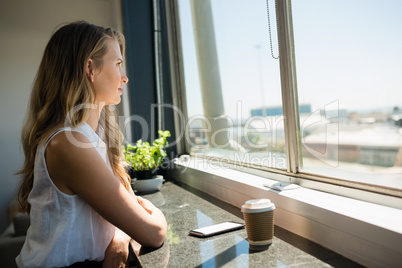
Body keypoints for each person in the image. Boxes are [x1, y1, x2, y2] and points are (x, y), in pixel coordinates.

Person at [15, 21, 167, 267]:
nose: (125, 77)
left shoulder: (90, 139)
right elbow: (153, 231)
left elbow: (124, 221)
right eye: (117, 64)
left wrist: (120, 236)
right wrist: (157, 216)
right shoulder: (68, 144)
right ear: (90, 69)